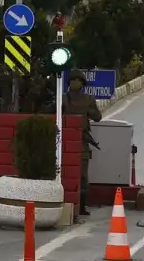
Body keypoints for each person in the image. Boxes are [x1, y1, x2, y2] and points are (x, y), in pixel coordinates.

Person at [63, 71, 101, 217]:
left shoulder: (64, 98)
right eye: (74, 80)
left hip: (70, 142)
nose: (75, 82)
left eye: (77, 80)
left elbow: (97, 117)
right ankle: (80, 206)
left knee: (76, 175)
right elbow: (97, 117)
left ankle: (79, 205)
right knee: (81, 176)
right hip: (74, 142)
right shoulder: (86, 99)